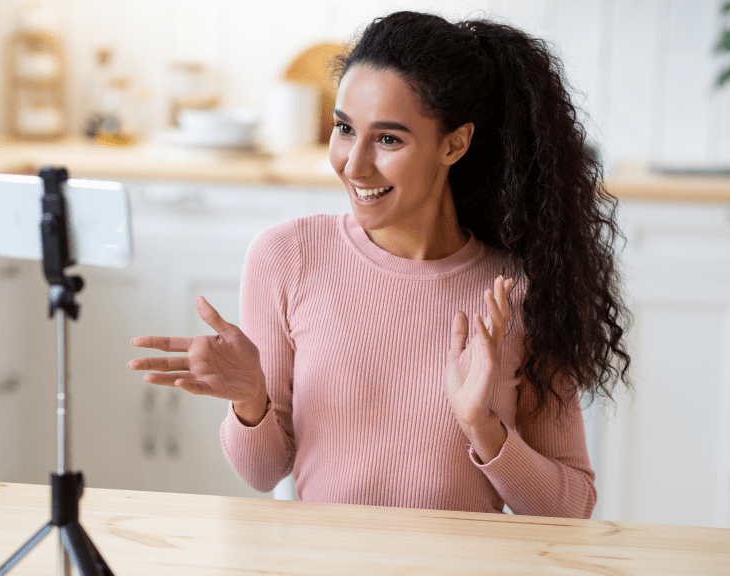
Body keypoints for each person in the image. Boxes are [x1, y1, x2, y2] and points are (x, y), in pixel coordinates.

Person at [128, 11, 630, 518]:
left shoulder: (517, 291)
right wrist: (249, 398)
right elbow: (263, 472)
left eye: (388, 139)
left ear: (454, 143)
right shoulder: (287, 257)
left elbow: (571, 507)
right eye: (345, 129)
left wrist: (483, 426)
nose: (354, 164)